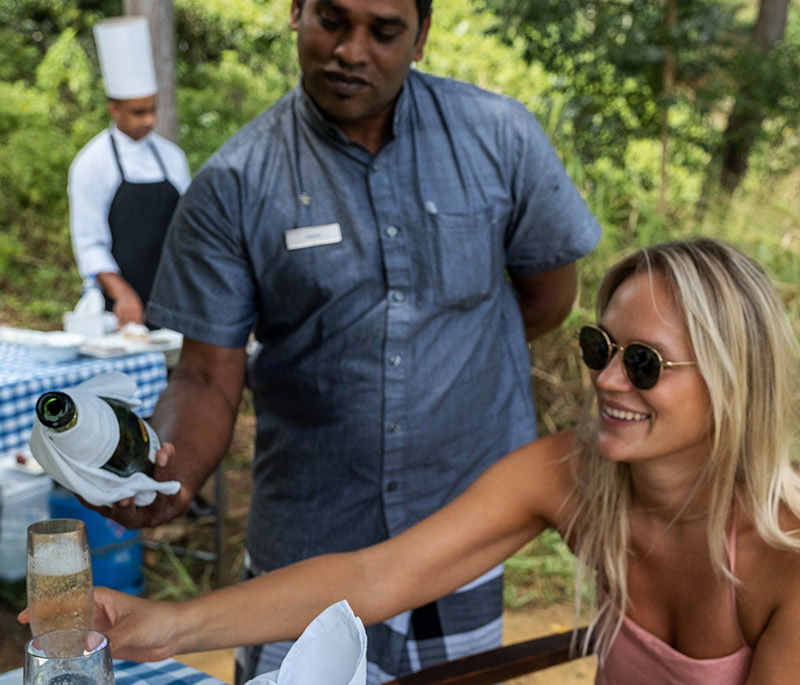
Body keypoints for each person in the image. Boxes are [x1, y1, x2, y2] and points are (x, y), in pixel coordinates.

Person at [93, 0, 600, 682]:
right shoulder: (234, 183)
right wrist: (171, 472)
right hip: (307, 541)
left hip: (465, 532)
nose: (352, 51)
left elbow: (546, 299)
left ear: (421, 36)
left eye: (384, 31)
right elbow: (208, 374)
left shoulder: (500, 138)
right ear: (296, 13)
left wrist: (453, 362)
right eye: (332, 21)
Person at [33, 237, 800, 684]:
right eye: (600, 347)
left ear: (736, 380)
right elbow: (375, 576)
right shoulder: (578, 476)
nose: (603, 379)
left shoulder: (781, 557)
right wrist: (164, 625)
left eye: (643, 362)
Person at [68, 17, 191, 327]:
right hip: (118, 311)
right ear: (114, 109)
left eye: (153, 108)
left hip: (172, 300)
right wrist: (123, 293)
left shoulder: (172, 157)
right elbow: (90, 243)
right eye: (139, 112)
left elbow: (189, 229)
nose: (149, 120)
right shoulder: (92, 163)